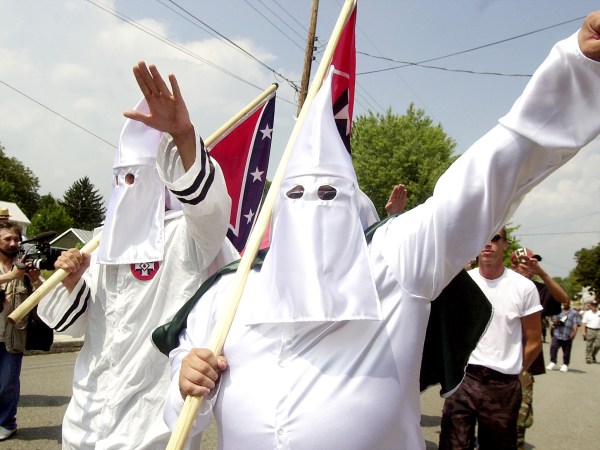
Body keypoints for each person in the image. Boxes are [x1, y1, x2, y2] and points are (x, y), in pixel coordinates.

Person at [162, 14, 600, 449]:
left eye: (329, 193)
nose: (311, 208)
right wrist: (187, 378)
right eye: (294, 194)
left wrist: (578, 64)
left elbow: (490, 174)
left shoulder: (394, 262)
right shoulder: (231, 292)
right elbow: (181, 415)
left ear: (353, 203)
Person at [37, 62, 237, 449]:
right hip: (85, 420)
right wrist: (71, 281)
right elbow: (69, 324)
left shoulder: (186, 234)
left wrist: (183, 135)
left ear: (160, 181)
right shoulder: (103, 241)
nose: (126, 186)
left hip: (151, 429)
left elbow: (211, 210)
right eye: (120, 178)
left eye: (135, 177)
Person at [438, 228, 542, 450]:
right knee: (453, 445)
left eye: (494, 238)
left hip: (502, 384)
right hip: (463, 380)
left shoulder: (524, 287)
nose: (487, 243)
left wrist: (516, 371)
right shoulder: (461, 282)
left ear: (505, 244)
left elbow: (534, 341)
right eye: (483, 236)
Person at [510, 246, 569, 448]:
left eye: (533, 263)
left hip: (524, 361)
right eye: (526, 263)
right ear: (514, 265)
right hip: (496, 358)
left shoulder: (538, 289)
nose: (530, 267)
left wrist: (542, 273)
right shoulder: (502, 284)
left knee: (520, 415)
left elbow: (564, 299)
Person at [0, 221, 43, 441]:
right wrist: (10, 276)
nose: (13, 243)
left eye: (16, 239)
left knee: (7, 383)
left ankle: (7, 423)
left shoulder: (26, 264)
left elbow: (44, 294)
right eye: (7, 238)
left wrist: (34, 279)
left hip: (13, 335)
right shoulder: (12, 271)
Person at [546, 301, 581, 372]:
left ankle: (565, 364)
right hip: (557, 333)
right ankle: (553, 362)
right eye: (564, 302)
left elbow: (575, 324)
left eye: (567, 302)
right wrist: (556, 322)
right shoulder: (558, 311)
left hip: (567, 334)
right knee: (553, 348)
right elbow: (553, 321)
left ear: (569, 303)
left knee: (566, 351)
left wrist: (573, 334)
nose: (565, 304)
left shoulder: (574, 313)